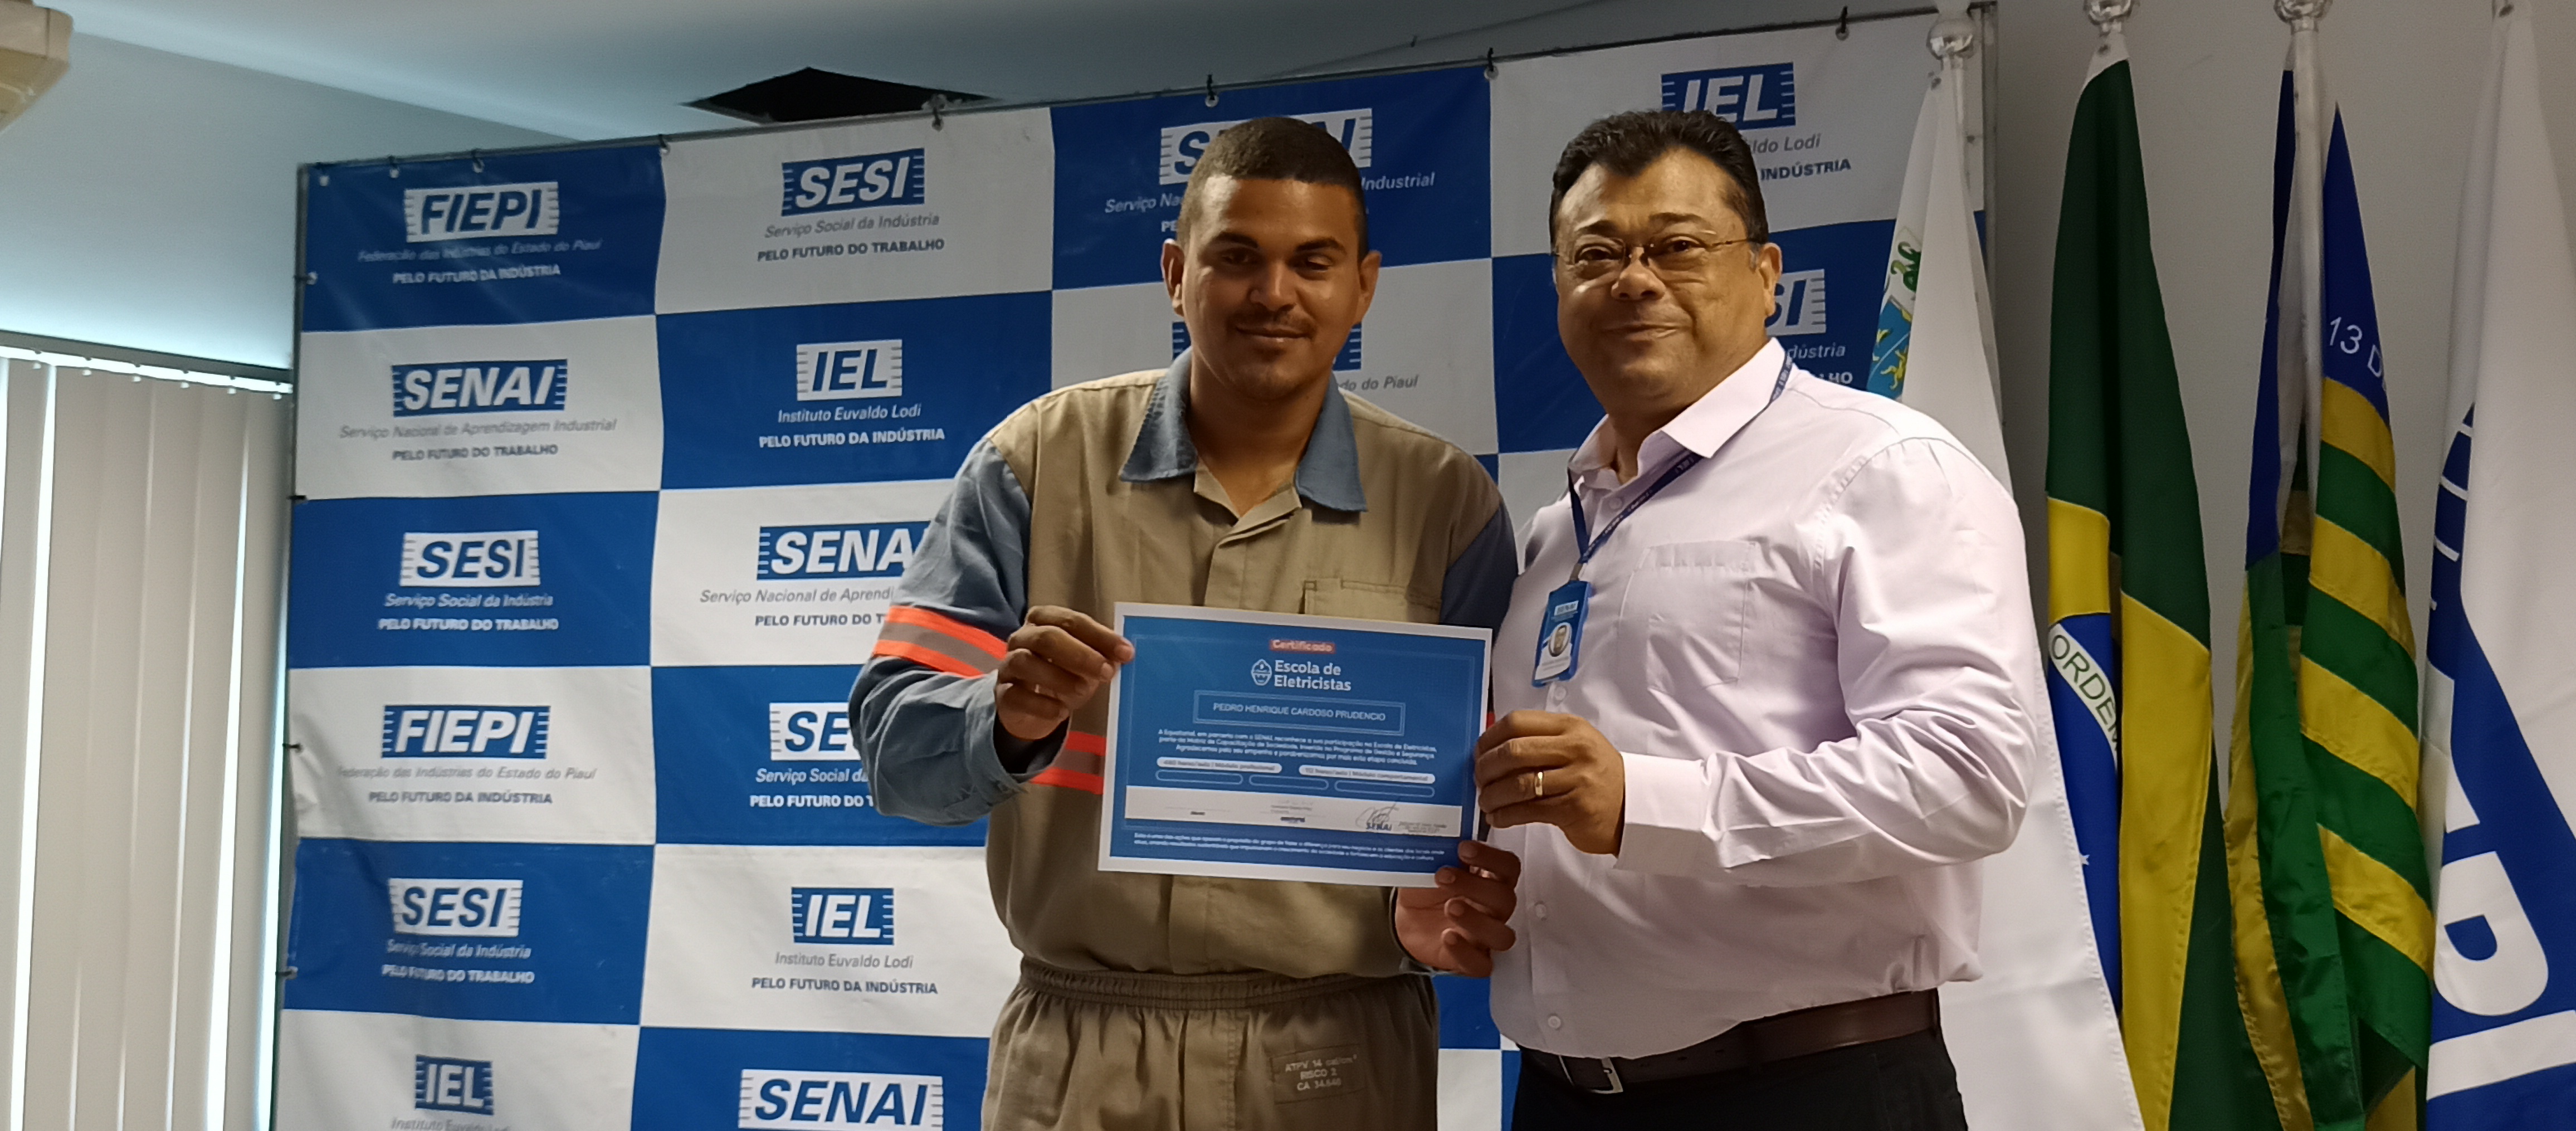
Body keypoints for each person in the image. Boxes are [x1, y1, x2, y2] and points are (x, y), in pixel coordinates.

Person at [850, 116, 1522, 1131]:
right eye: (1236, 256)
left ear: (1364, 287)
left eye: (1313, 262)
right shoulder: (1035, 461)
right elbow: (893, 751)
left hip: (1340, 1052)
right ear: (1176, 273)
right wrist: (1007, 719)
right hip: (1082, 1048)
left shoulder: (1447, 504)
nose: (1274, 293)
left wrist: (1427, 902)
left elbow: (1487, 800)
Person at [1472, 109, 2038, 1129]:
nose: (1634, 279)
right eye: (1595, 254)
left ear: (1767, 274)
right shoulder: (1557, 530)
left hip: (1807, 1092)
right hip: (1560, 1095)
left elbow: (1969, 777)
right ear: (1558, 289)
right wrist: (1474, 895)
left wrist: (1644, 802)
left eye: (1678, 247)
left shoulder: (1884, 468)